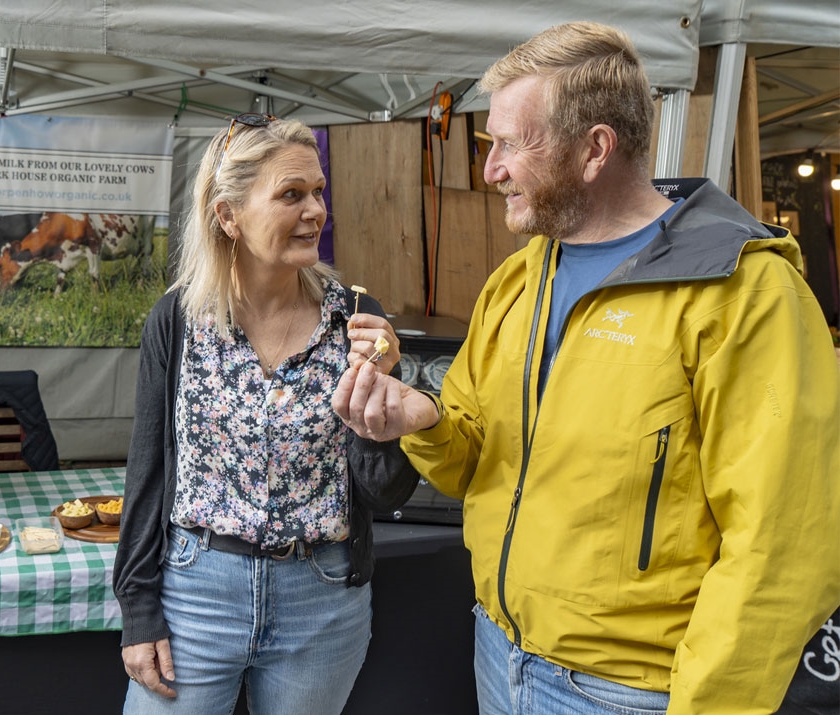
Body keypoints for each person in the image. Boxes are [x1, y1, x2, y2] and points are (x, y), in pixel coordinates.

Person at [332, 21, 840, 715]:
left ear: (594, 149)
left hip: (635, 693)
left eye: (511, 143)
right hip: (500, 655)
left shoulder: (746, 295)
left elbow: (782, 550)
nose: (491, 169)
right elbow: (470, 463)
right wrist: (423, 421)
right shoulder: (519, 279)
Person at [112, 113, 420, 714]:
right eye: (290, 194)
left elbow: (387, 493)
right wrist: (138, 608)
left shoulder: (355, 322)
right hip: (197, 593)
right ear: (228, 216)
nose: (315, 211)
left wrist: (385, 401)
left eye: (317, 192)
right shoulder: (178, 320)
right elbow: (146, 472)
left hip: (322, 601)